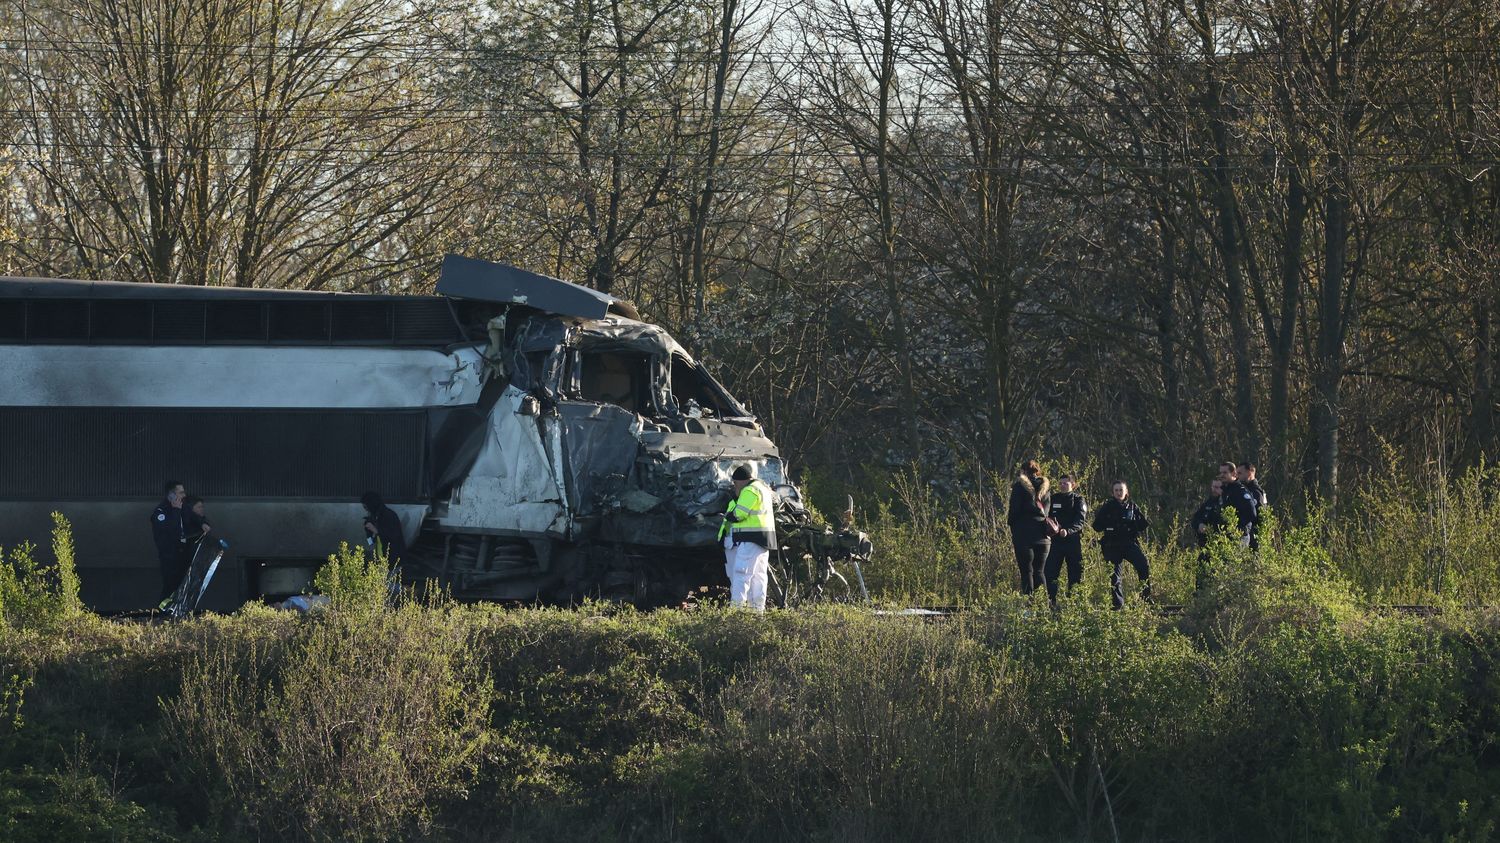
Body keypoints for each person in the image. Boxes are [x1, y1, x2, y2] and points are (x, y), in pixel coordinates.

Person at [717, 464, 778, 611]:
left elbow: (740, 514)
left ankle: (736, 612)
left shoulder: (749, 490)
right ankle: (757, 612)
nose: (735, 487)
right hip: (763, 540)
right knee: (758, 577)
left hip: (750, 539)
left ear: (741, 481)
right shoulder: (763, 488)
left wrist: (728, 515)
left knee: (741, 573)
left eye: (735, 483)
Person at [1092, 480, 1152, 610]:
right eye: (1116, 490)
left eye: (1121, 490)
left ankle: (1145, 598)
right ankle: (1118, 604)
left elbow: (1143, 524)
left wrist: (1132, 524)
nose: (1119, 493)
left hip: (1129, 543)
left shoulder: (1132, 506)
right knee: (1115, 576)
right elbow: (1096, 526)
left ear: (1126, 492)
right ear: (1113, 493)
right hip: (1112, 545)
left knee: (1143, 565)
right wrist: (1109, 524)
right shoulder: (1107, 507)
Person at [1006, 460, 1051, 596]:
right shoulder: (1046, 489)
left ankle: (1029, 606)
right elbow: (1047, 512)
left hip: (1024, 535)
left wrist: (1012, 526)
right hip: (1043, 536)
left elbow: (1014, 511)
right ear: (1038, 471)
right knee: (1039, 571)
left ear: (1023, 471)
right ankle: (1043, 606)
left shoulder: (1019, 487)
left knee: (1027, 572)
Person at [1043, 474, 1089, 607]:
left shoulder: (1078, 500)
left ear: (1072, 485)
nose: (1062, 485)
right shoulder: (1053, 499)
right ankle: (1051, 603)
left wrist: (1067, 531)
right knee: (1050, 573)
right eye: (1060, 483)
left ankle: (1073, 604)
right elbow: (1046, 516)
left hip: (1072, 542)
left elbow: (1080, 521)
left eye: (1066, 483)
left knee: (1075, 573)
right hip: (1055, 542)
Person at [152, 480, 187, 607]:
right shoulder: (161, 512)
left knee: (179, 585)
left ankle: (176, 611)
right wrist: (176, 510)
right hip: (169, 555)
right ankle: (162, 611)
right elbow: (171, 530)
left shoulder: (181, 507)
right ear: (171, 495)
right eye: (181, 492)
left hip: (181, 552)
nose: (184, 495)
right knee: (170, 585)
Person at [1217, 461, 1260, 548]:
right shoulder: (1226, 491)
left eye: (1225, 472)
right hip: (1226, 537)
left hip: (1239, 537)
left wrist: (1236, 528)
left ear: (1233, 473)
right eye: (1220, 472)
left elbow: (1251, 513)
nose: (1222, 475)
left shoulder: (1240, 491)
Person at [1190, 479, 1224, 588]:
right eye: (1213, 487)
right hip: (1205, 545)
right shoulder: (1209, 502)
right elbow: (1195, 519)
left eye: (1217, 487)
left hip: (1220, 546)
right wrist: (1199, 525)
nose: (1214, 490)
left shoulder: (1225, 503)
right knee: (1201, 572)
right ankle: (1200, 600)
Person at [361, 491, 407, 570]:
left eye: (366, 507)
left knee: (392, 581)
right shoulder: (375, 517)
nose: (366, 510)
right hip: (382, 558)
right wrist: (368, 533)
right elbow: (371, 542)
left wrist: (376, 530)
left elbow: (393, 535)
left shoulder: (389, 516)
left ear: (371, 505)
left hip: (394, 559)